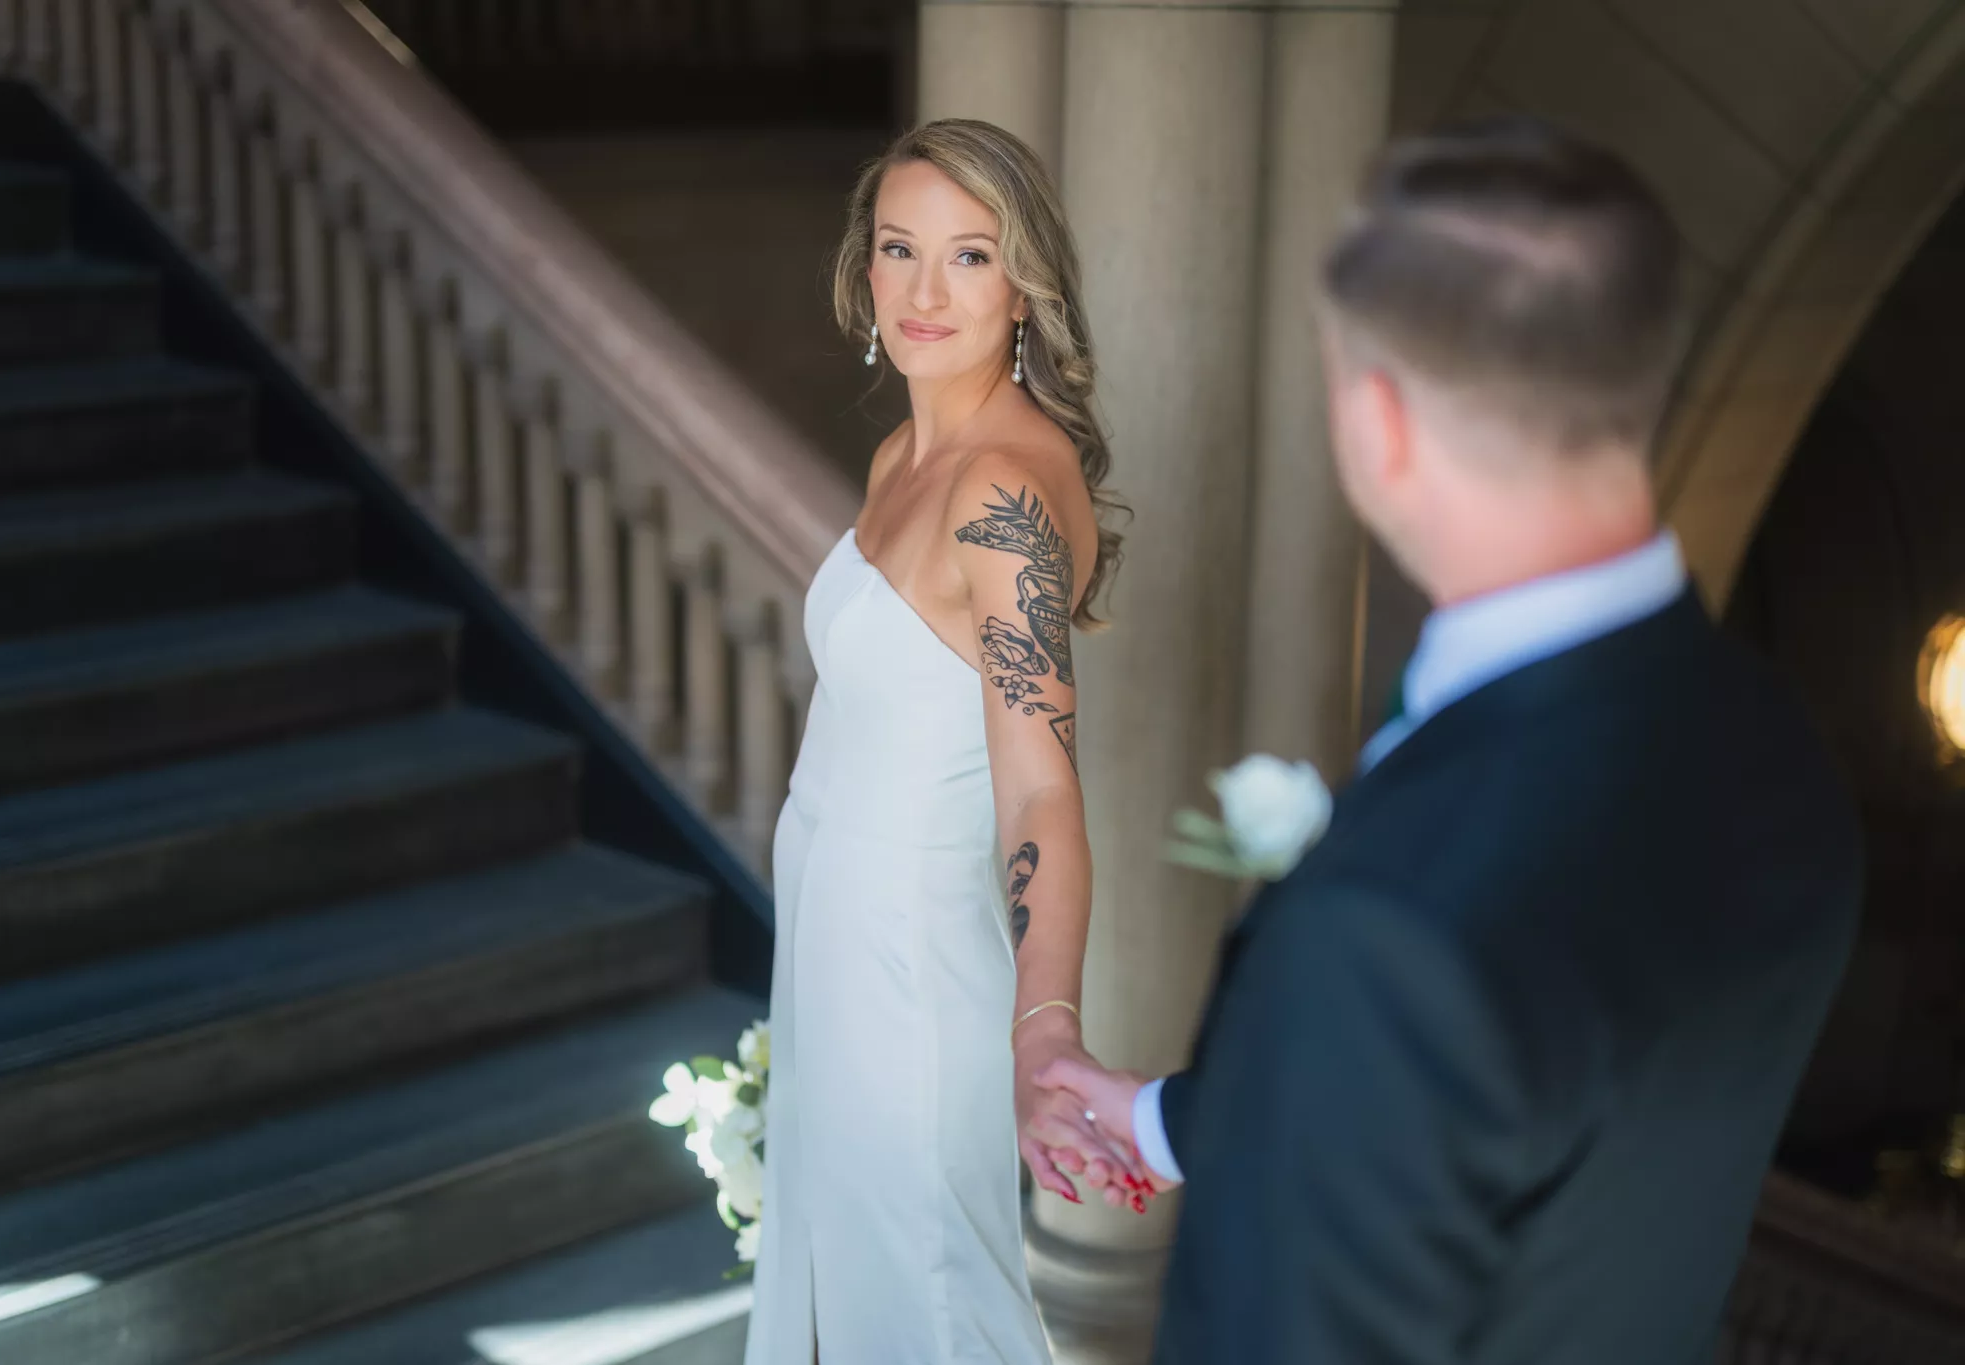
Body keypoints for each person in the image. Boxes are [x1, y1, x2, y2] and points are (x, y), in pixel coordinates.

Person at [1039, 117, 1862, 1365]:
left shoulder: (1383, 930)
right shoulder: (1776, 748)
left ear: (1377, 419)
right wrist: (1167, 1120)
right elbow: (1525, 1095)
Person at [743, 119, 1149, 1365]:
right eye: (898, 249)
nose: (924, 292)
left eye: (969, 258)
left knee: (923, 1306)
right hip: (830, 936)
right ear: (862, 270)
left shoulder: (999, 496)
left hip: (903, 969)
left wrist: (1043, 1028)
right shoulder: (902, 455)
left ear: (1022, 284)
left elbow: (1040, 794)